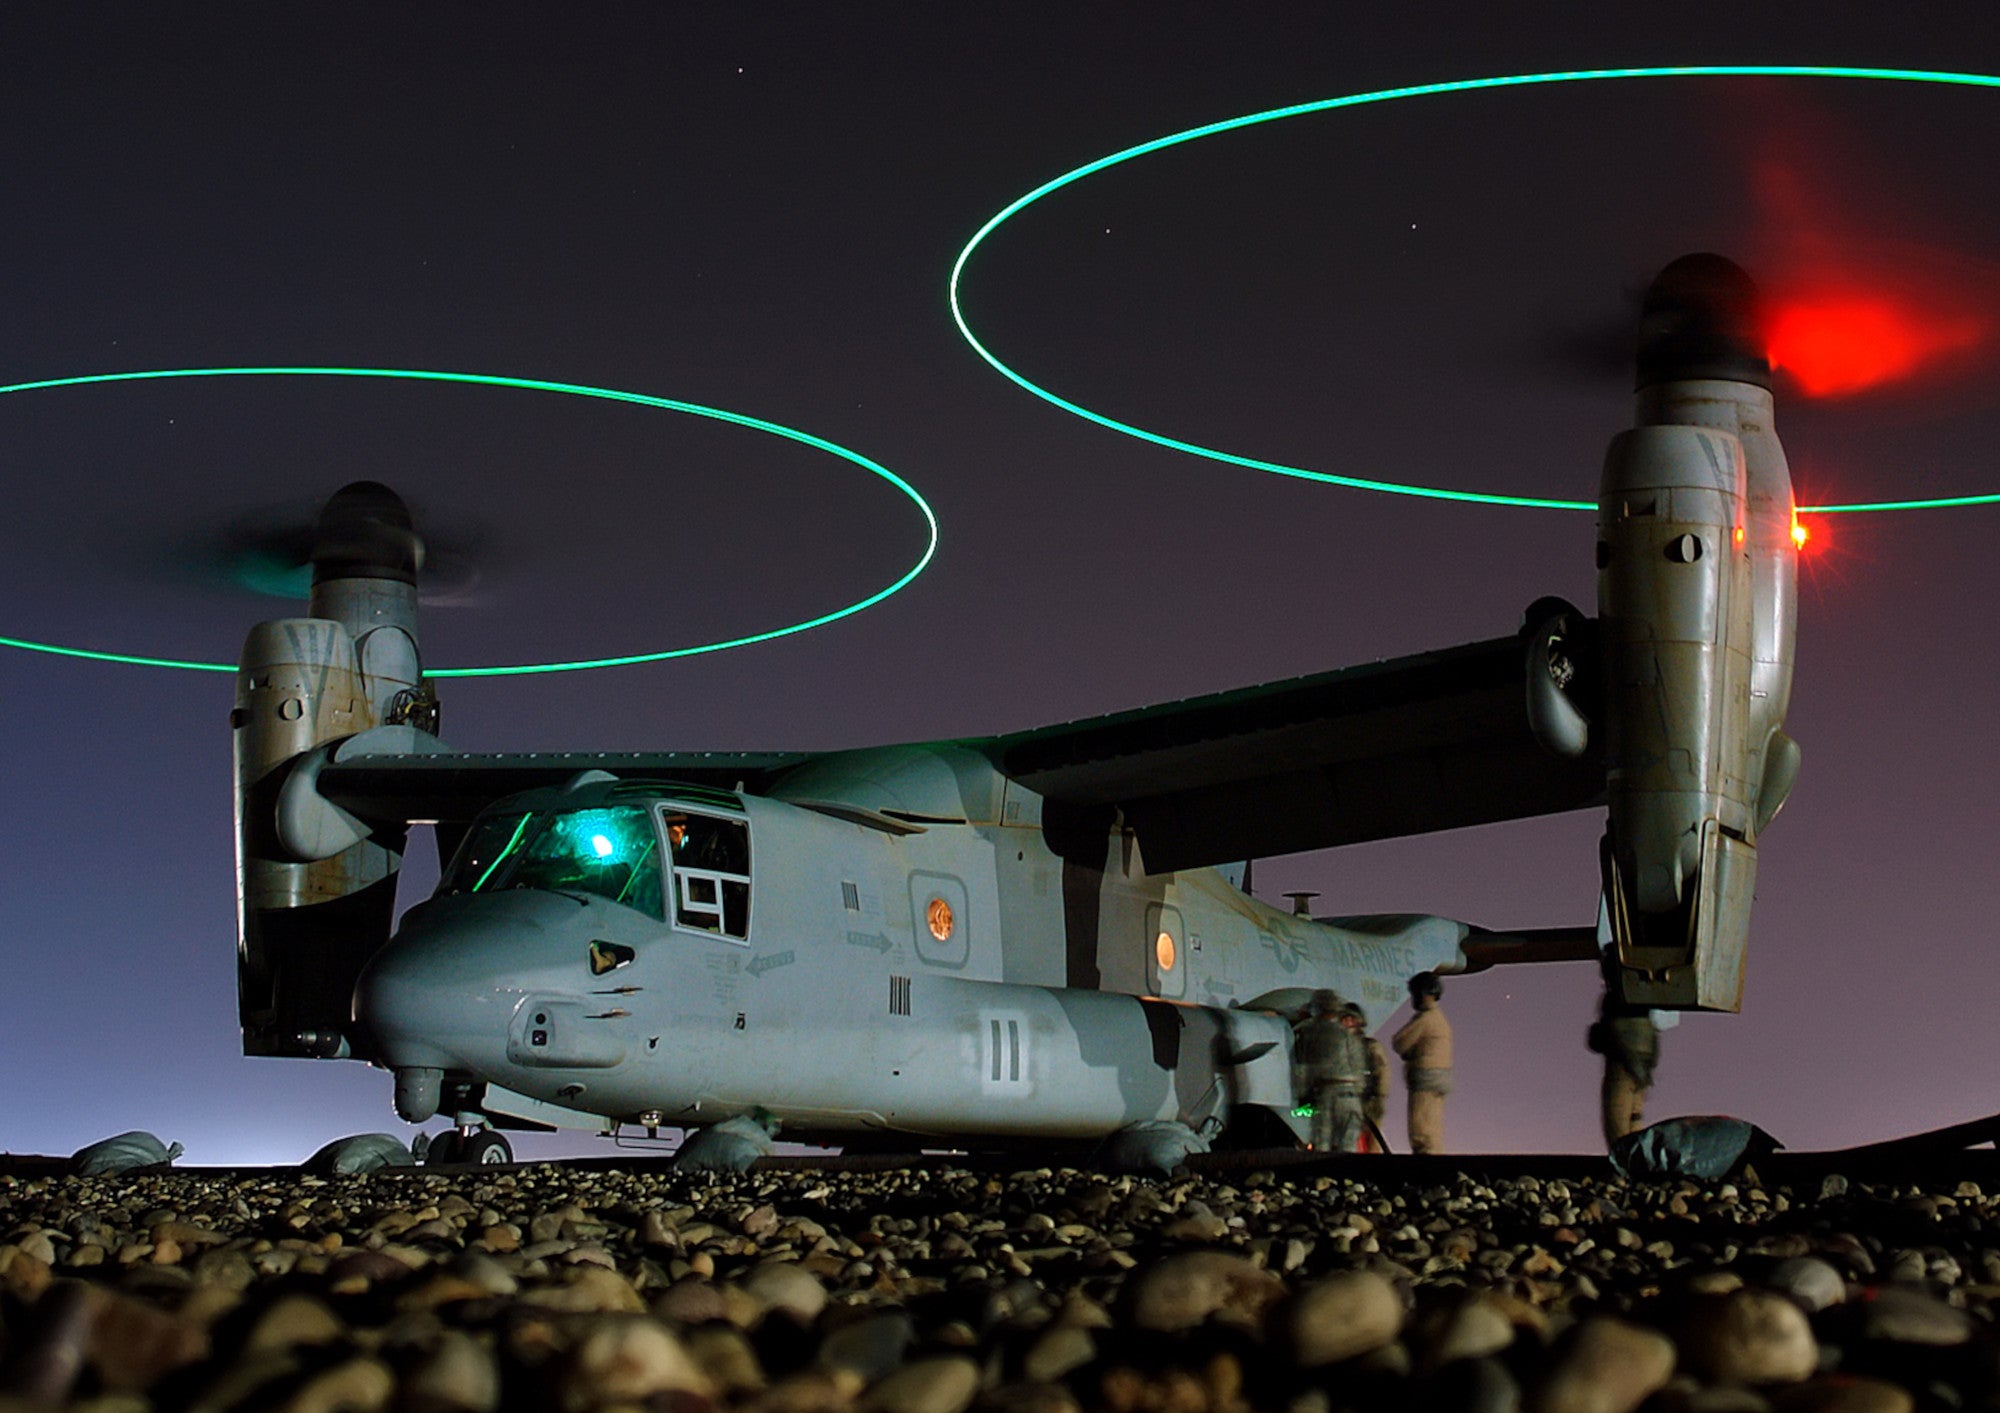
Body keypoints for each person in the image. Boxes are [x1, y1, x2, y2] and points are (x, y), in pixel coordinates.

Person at [1293, 990, 1368, 1153]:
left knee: (1322, 1147)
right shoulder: (1348, 1036)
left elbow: (1303, 1069)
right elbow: (1359, 1068)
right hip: (1351, 1097)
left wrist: (1301, 1096)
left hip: (1326, 1095)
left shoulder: (1309, 1033)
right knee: (1348, 1147)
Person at [1588, 992, 1662, 1148]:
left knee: (1617, 1124)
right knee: (1634, 1120)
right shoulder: (1643, 999)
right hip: (1643, 1065)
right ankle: (1634, 1165)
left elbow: (1604, 1036)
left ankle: (1622, 1168)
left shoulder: (1617, 996)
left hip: (1623, 1065)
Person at [1392, 972, 1453, 1154]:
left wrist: (1409, 1054)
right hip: (1439, 1080)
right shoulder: (1440, 1018)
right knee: (1433, 1131)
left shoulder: (1426, 1018)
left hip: (1425, 1080)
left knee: (1421, 1133)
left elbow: (1399, 1042)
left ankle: (1426, 1173)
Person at [1348, 1003, 1392, 1153]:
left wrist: (1377, 1097)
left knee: (1371, 1147)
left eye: (1351, 1020)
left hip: (1369, 1105)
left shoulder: (1370, 1047)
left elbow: (1382, 1073)